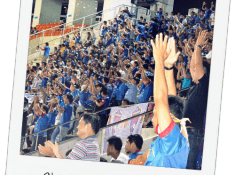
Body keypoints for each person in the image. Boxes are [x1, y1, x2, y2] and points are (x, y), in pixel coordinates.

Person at [143, 34, 189, 168]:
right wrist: (168, 66)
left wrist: (158, 60)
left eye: (155, 112)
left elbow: (161, 100)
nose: (152, 117)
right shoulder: (172, 138)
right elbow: (169, 99)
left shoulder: (172, 140)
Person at [183, 31, 210, 170]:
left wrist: (198, 46)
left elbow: (197, 66)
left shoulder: (204, 83)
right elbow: (194, 65)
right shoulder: (195, 85)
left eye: (195, 71)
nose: (192, 71)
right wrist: (195, 48)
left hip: (194, 131)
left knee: (189, 164)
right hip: (188, 130)